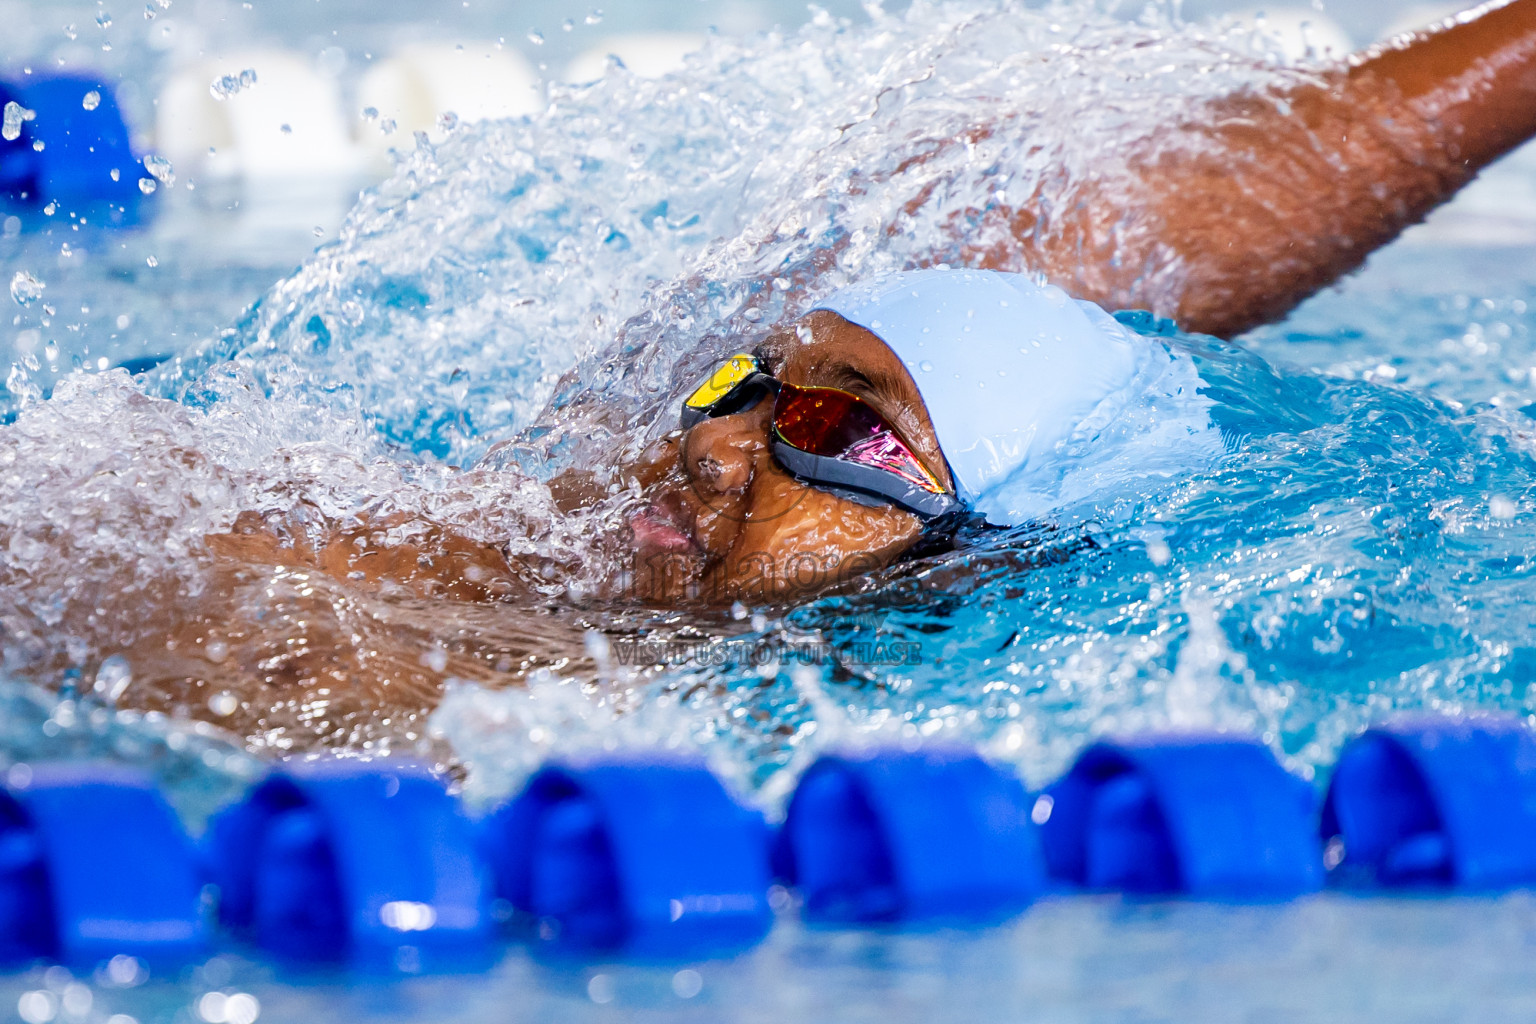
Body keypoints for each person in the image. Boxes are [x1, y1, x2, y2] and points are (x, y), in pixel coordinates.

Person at [87, 0, 1536, 743]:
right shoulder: (516, 552)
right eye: (741, 380)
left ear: (987, 556)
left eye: (835, 426)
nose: (714, 443)